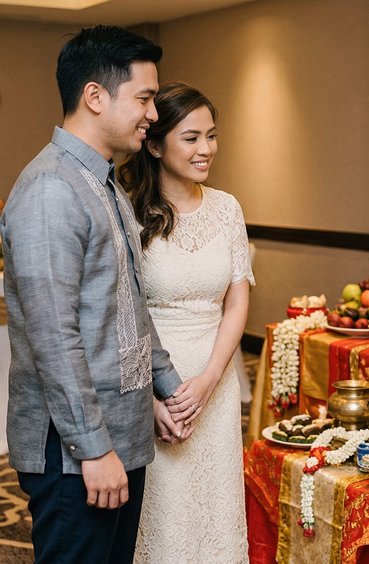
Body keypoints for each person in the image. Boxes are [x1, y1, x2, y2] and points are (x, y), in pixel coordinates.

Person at [0, 25, 188, 564]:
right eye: (145, 98)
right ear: (95, 96)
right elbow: (52, 338)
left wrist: (167, 389)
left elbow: (128, 305)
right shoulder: (50, 190)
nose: (154, 114)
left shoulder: (103, 183)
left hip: (120, 433)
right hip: (75, 453)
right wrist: (95, 448)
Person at [119, 81, 254, 563]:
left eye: (211, 135)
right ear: (154, 144)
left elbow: (236, 302)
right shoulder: (128, 212)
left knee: (216, 512)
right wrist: (153, 400)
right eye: (191, 137)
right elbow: (123, 316)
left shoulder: (227, 208)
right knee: (165, 516)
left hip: (213, 385)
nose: (206, 149)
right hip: (154, 387)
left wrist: (211, 380)